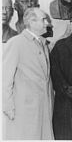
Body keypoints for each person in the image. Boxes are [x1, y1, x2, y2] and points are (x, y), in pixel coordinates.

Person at [3, 8, 54, 140]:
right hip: (24, 112)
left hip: (44, 110)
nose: (47, 23)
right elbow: (4, 80)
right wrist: (8, 109)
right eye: (43, 19)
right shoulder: (16, 43)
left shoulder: (43, 44)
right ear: (31, 22)